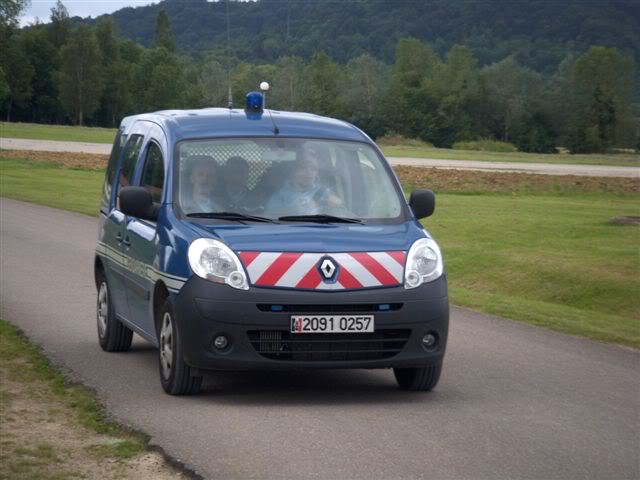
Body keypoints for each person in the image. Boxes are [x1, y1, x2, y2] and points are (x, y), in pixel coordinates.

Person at [266, 157, 343, 216]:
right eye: (303, 168)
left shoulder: (323, 191)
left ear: (317, 173)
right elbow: (273, 218)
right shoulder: (280, 195)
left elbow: (340, 207)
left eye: (313, 169)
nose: (308, 172)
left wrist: (335, 202)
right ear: (294, 171)